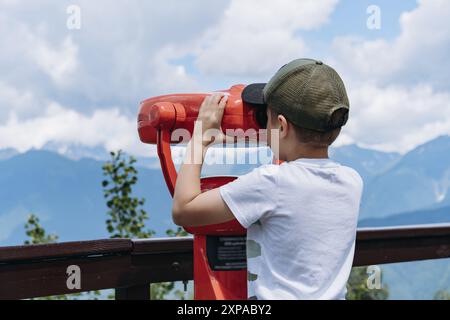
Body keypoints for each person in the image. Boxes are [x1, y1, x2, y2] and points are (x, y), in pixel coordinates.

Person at [172, 58, 364, 300]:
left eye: (266, 119)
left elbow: (184, 209)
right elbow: (300, 152)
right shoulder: (352, 181)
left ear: (281, 126)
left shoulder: (271, 182)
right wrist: (231, 139)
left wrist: (200, 138)